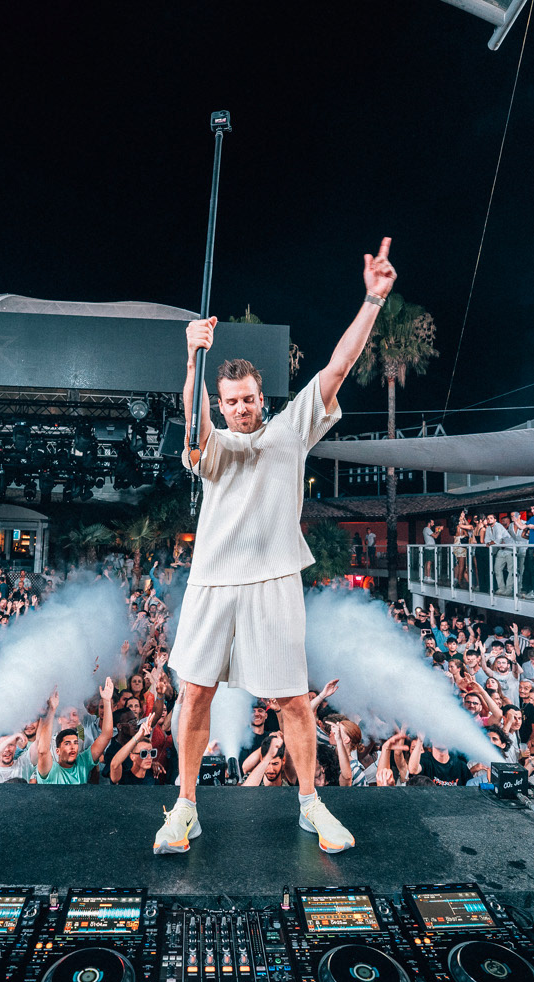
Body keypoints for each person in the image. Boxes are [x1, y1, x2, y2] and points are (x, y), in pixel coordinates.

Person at [154, 239, 396, 857]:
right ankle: (185, 808)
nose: (241, 407)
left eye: (249, 398)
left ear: (262, 398)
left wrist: (372, 300)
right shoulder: (209, 446)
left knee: (292, 699)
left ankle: (311, 804)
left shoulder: (291, 430)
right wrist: (192, 361)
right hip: (212, 581)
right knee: (195, 694)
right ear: (221, 404)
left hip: (275, 580)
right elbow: (190, 420)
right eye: (230, 401)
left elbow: (338, 365)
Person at [35, 681, 115, 784]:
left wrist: (107, 701)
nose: (73, 747)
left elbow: (106, 736)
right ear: (57, 751)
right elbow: (42, 751)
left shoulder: (83, 762)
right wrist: (52, 709)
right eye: (67, 743)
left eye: (75, 743)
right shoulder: (49, 770)